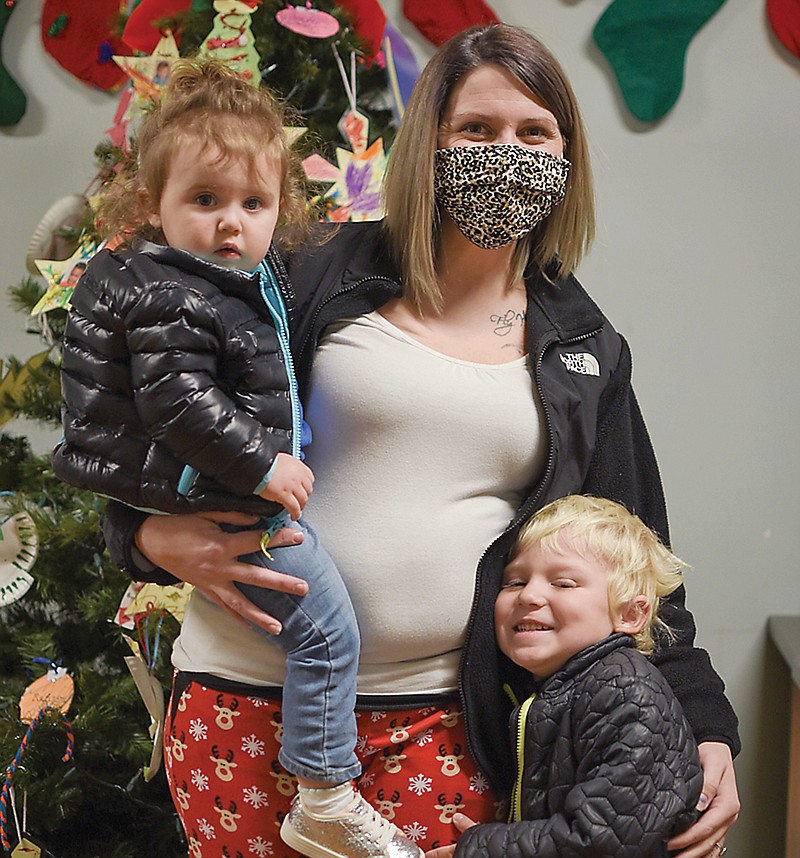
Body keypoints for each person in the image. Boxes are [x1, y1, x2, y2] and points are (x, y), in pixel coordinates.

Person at [99, 24, 741, 858]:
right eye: (477, 129)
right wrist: (142, 536)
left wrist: (706, 727)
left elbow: (643, 555)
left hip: (443, 721)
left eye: (534, 132)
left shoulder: (582, 347)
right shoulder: (310, 269)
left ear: (566, 158)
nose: (505, 152)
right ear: (431, 142)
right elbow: (145, 404)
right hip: (247, 695)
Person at [53, 59, 422, 858]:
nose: (231, 223)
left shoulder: (237, 281)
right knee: (325, 633)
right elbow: (180, 404)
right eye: (205, 200)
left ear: (280, 208)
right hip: (228, 500)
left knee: (322, 629)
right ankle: (324, 790)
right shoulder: (174, 291)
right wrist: (264, 467)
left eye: (253, 204)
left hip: (226, 496)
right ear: (153, 205)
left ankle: (322, 785)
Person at [428, 494, 705, 858]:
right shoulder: (558, 687)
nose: (529, 595)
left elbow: (603, 840)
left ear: (630, 614)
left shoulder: (625, 692)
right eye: (513, 582)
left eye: (563, 583)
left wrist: (483, 849)